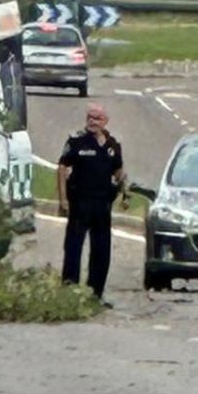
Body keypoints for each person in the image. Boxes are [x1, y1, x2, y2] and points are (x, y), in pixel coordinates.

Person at [58, 104, 126, 302]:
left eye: (97, 118)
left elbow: (118, 171)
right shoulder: (77, 141)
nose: (92, 121)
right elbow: (62, 168)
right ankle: (69, 293)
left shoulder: (113, 144)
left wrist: (124, 189)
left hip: (102, 205)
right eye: (90, 117)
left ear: (105, 121)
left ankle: (95, 294)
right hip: (79, 202)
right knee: (73, 248)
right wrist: (63, 199)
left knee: (101, 250)